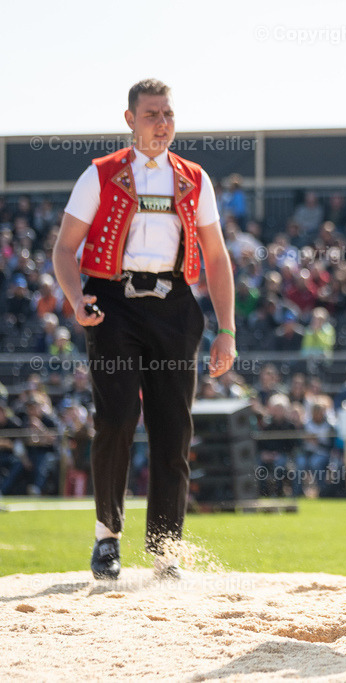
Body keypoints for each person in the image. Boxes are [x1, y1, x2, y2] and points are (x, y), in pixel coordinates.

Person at [52, 79, 236, 580]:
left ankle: (165, 551)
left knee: (173, 430)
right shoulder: (101, 174)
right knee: (114, 419)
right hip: (114, 302)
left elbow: (216, 257)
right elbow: (64, 249)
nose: (162, 123)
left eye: (169, 113)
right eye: (152, 113)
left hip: (176, 306)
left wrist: (227, 330)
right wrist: (75, 299)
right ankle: (107, 538)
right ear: (130, 119)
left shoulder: (194, 178)